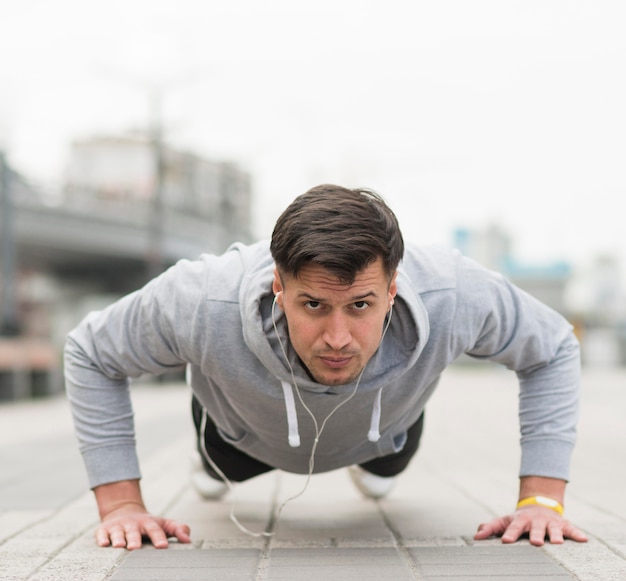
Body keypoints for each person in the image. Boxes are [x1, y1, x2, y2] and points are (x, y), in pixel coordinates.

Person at [64, 183, 588, 551]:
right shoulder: (201, 298)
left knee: (386, 470)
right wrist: (121, 506)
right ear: (279, 286)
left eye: (360, 305)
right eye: (314, 304)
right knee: (220, 467)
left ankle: (371, 465)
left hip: (384, 436)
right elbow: (91, 351)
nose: (337, 338)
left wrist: (542, 499)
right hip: (241, 439)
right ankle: (210, 467)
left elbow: (552, 347)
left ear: (392, 288)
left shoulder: (455, 291)